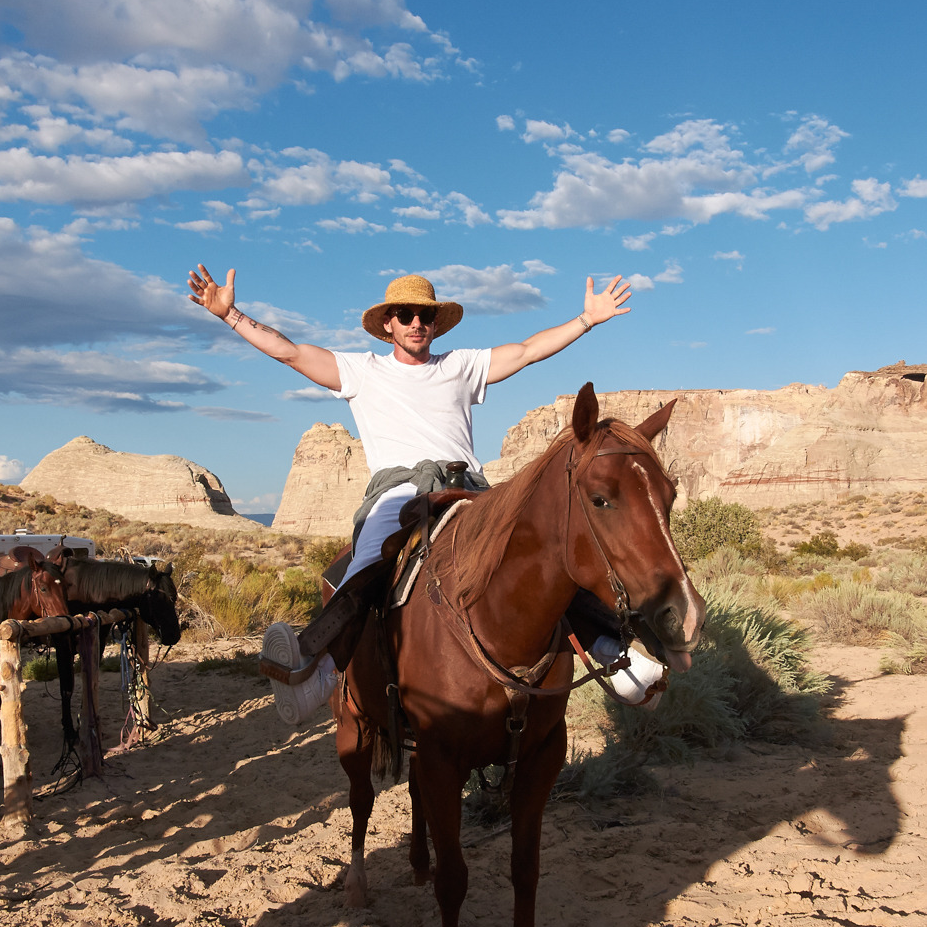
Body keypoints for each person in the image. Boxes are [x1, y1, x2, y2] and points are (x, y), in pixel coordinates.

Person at [188, 263, 665, 721]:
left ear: (437, 324)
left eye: (426, 315)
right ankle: (324, 672)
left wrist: (586, 319)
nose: (417, 323)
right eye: (406, 315)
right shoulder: (362, 370)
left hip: (466, 489)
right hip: (398, 492)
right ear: (387, 325)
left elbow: (526, 350)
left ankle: (610, 652)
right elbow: (289, 352)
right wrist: (230, 315)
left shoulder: (461, 365)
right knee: (370, 560)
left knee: (537, 552)